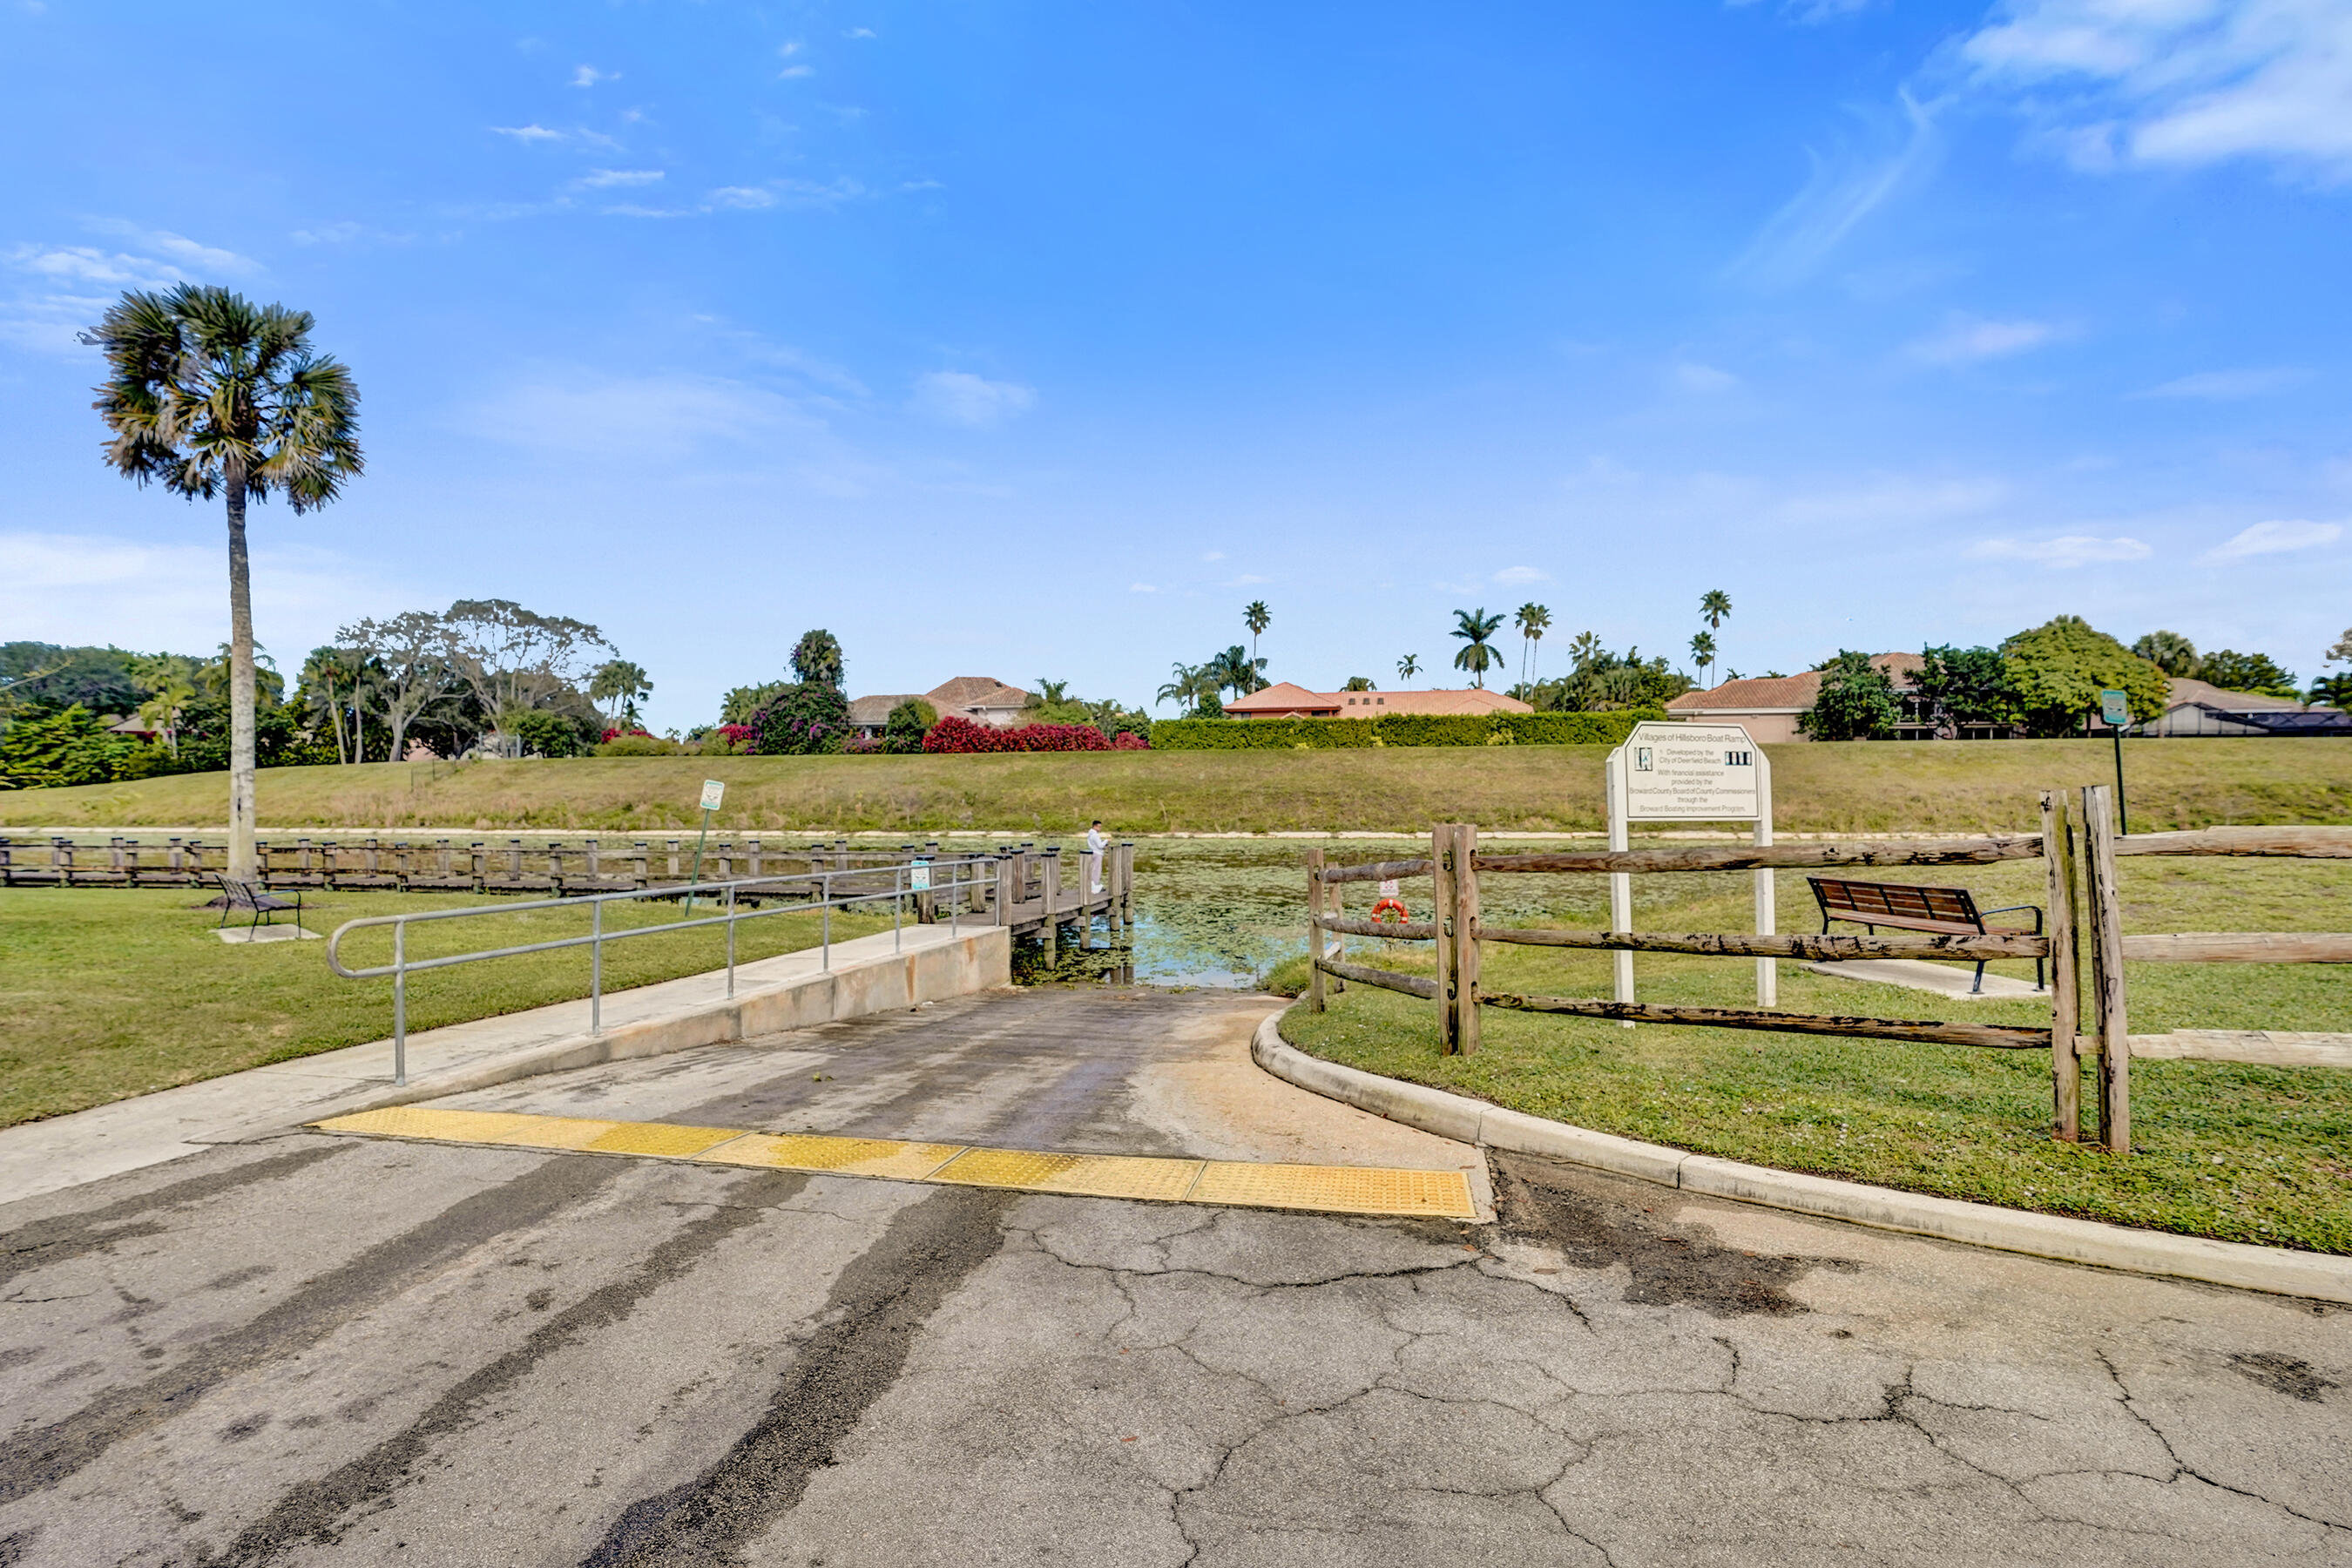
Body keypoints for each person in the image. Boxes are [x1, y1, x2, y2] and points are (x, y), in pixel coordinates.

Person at [1085, 819, 1107, 896]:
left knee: (1093, 869)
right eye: (1099, 827)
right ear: (1095, 826)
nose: (1100, 829)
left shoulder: (1090, 834)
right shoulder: (1095, 835)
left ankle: (1092, 885)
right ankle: (1095, 886)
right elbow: (1100, 845)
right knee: (1097, 870)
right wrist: (1107, 840)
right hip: (1097, 854)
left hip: (1093, 852)